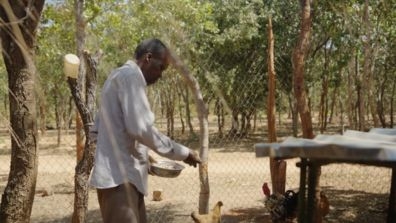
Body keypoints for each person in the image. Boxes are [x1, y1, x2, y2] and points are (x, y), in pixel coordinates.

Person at [89, 38, 201, 223]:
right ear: (148, 58)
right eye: (161, 68)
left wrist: (141, 156)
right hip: (120, 180)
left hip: (124, 178)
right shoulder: (130, 77)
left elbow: (99, 131)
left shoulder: (119, 76)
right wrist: (183, 152)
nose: (161, 75)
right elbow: (140, 129)